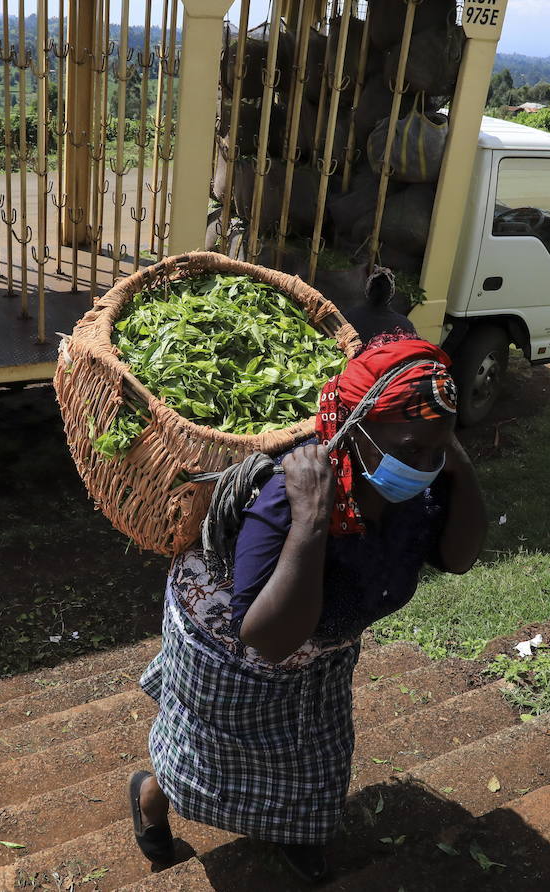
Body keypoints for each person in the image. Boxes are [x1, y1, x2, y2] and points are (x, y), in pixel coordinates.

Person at [128, 331, 487, 883]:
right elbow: (269, 639)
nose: (424, 463)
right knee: (202, 765)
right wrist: (313, 520)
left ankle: (295, 833)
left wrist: (457, 465)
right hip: (232, 656)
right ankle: (152, 801)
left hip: (320, 654)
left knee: (313, 764)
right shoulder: (287, 495)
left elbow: (459, 558)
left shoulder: (419, 487)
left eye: (438, 446)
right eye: (412, 448)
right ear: (356, 428)